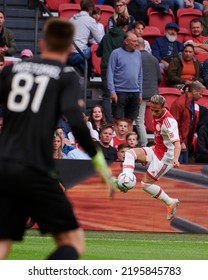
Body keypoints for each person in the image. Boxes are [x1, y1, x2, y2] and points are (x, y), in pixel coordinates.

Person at [0, 17, 115, 260]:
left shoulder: (12, 69)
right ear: (69, 49)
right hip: (36, 168)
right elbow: (75, 119)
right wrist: (97, 159)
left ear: (42, 43)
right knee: (73, 242)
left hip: (4, 165)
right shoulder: (65, 75)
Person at [117, 94, 181, 221]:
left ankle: (170, 202)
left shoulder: (169, 122)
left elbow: (177, 143)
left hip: (165, 158)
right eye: (151, 109)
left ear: (164, 107)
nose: (153, 113)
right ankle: (127, 177)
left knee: (146, 184)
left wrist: (175, 158)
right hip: (156, 149)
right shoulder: (155, 114)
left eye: (156, 110)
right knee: (130, 153)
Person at [96, 15, 129, 123]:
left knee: (106, 96)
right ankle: (119, 120)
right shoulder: (125, 38)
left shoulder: (106, 36)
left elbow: (98, 52)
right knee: (120, 94)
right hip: (119, 70)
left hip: (106, 67)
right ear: (125, 26)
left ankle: (109, 122)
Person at [107, 31, 143, 123]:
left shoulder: (138, 54)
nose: (136, 43)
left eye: (136, 41)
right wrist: (112, 91)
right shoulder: (116, 53)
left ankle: (128, 137)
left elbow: (140, 74)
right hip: (120, 91)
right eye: (134, 41)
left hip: (135, 91)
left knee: (130, 120)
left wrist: (140, 92)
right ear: (126, 42)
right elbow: (110, 73)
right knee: (118, 119)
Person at [135, 37, 162, 147]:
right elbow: (159, 78)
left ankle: (143, 144)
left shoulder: (135, 57)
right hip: (153, 92)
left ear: (137, 45)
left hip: (141, 93)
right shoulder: (154, 58)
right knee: (156, 120)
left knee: (139, 120)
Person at [170, 81, 205, 163]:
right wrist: (180, 142)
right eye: (200, 94)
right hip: (179, 143)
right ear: (194, 92)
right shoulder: (179, 104)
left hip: (185, 142)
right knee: (179, 170)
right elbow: (173, 125)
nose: (201, 96)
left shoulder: (192, 103)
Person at [68, 0, 102, 73]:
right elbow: (100, 40)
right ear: (90, 10)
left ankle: (85, 72)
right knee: (94, 48)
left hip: (68, 54)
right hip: (79, 54)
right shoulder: (90, 20)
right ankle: (91, 72)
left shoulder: (71, 19)